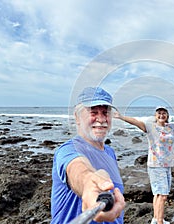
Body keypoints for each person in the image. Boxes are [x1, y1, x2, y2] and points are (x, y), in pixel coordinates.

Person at [114, 106, 174, 224]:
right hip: (155, 165)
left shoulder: (171, 127)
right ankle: (159, 222)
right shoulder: (150, 127)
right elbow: (136, 122)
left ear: (167, 116)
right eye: (159, 113)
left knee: (158, 194)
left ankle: (156, 218)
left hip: (167, 165)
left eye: (164, 113)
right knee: (163, 196)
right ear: (155, 115)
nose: (161, 115)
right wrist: (121, 117)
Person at [51, 87, 125, 224]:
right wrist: (89, 183)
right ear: (77, 117)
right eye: (94, 112)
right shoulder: (68, 150)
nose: (101, 119)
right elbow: (77, 169)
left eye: (105, 112)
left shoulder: (110, 152)